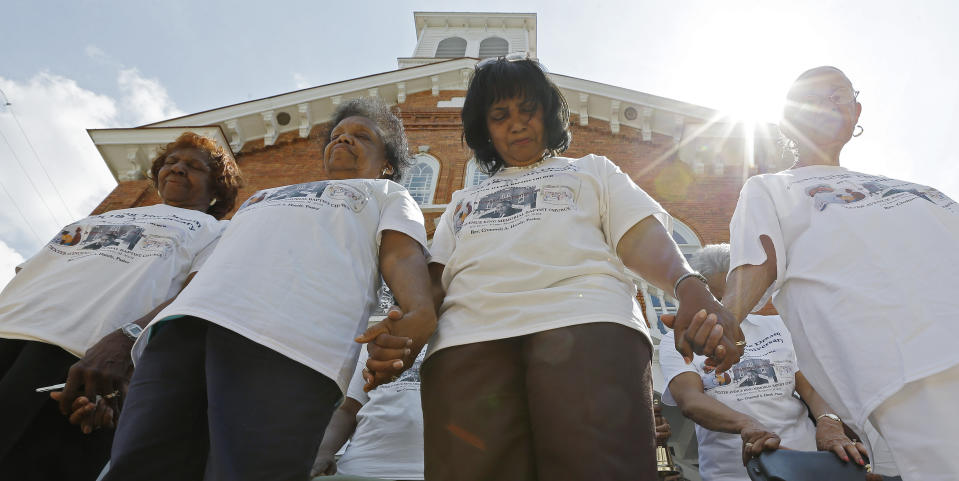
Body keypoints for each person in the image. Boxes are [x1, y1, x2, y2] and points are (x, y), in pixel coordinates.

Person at [419, 55, 730, 480]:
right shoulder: (461, 202)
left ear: (547, 112)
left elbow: (639, 236)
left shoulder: (592, 171)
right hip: (467, 341)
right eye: (499, 115)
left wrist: (689, 285)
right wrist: (405, 329)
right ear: (485, 129)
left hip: (587, 324)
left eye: (528, 109)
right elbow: (433, 284)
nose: (516, 123)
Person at [102, 98, 436, 481]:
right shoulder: (262, 196)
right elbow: (206, 271)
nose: (344, 140)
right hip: (185, 329)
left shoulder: (386, 195)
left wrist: (417, 314)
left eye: (362, 137)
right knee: (139, 463)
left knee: (247, 469)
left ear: (387, 164)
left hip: (288, 342)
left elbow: (401, 258)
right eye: (338, 135)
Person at [673, 66, 959, 480]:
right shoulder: (772, 189)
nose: (827, 103)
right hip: (914, 371)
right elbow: (757, 263)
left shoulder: (923, 190)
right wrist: (723, 321)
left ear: (856, 111)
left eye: (838, 95)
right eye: (811, 96)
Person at [0, 131, 242, 480]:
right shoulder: (94, 220)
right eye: (171, 162)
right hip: (10, 330)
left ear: (217, 187)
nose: (176, 168)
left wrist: (128, 345)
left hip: (81, 362)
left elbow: (196, 297)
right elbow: (28, 277)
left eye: (193, 166)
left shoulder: (217, 231)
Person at [660, 244, 877, 481]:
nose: (724, 308)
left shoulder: (778, 326)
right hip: (734, 474)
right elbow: (691, 401)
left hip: (806, 464)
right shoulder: (678, 341)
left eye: (730, 296)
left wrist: (829, 422)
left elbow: (812, 389)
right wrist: (747, 425)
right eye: (715, 298)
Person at [311, 339, 429, 480]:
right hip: (359, 471)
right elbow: (347, 411)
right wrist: (323, 451)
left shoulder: (457, 345)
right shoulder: (379, 345)